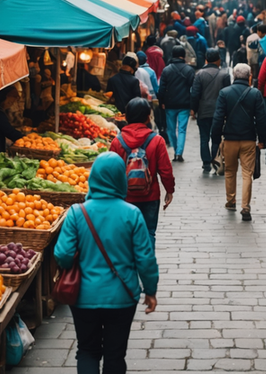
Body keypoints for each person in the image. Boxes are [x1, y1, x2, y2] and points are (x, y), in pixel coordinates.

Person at [54, 152, 158, 374]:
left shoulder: (76, 212)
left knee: (87, 351)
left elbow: (62, 254)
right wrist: (150, 290)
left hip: (83, 297)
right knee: (115, 355)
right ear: (121, 178)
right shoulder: (132, 214)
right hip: (122, 297)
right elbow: (145, 259)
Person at [110, 99, 174, 249]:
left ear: (126, 117)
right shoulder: (157, 141)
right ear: (147, 117)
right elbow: (165, 169)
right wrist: (169, 190)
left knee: (126, 234)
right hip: (150, 196)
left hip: (124, 197)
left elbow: (110, 172)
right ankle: (146, 268)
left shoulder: (117, 142)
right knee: (148, 232)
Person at [211, 63, 266, 222]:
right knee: (247, 174)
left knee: (229, 171)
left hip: (229, 139)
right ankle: (245, 206)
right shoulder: (255, 94)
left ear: (234, 76)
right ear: (249, 76)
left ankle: (230, 201)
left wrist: (215, 141)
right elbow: (262, 120)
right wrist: (263, 140)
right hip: (249, 140)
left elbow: (218, 118)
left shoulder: (224, 93)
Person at [190, 48, 231, 173]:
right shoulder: (224, 75)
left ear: (206, 60)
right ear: (219, 60)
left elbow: (195, 94)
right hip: (219, 112)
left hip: (203, 111)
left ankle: (206, 163)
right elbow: (228, 94)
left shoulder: (199, 75)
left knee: (204, 138)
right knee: (216, 138)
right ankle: (215, 160)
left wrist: (193, 109)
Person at [157, 46, 195, 162]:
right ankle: (179, 153)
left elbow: (162, 89)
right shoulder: (189, 70)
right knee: (182, 129)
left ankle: (175, 150)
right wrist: (193, 105)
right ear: (183, 56)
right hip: (184, 104)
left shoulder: (167, 70)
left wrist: (161, 102)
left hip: (170, 104)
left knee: (171, 129)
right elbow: (193, 89)